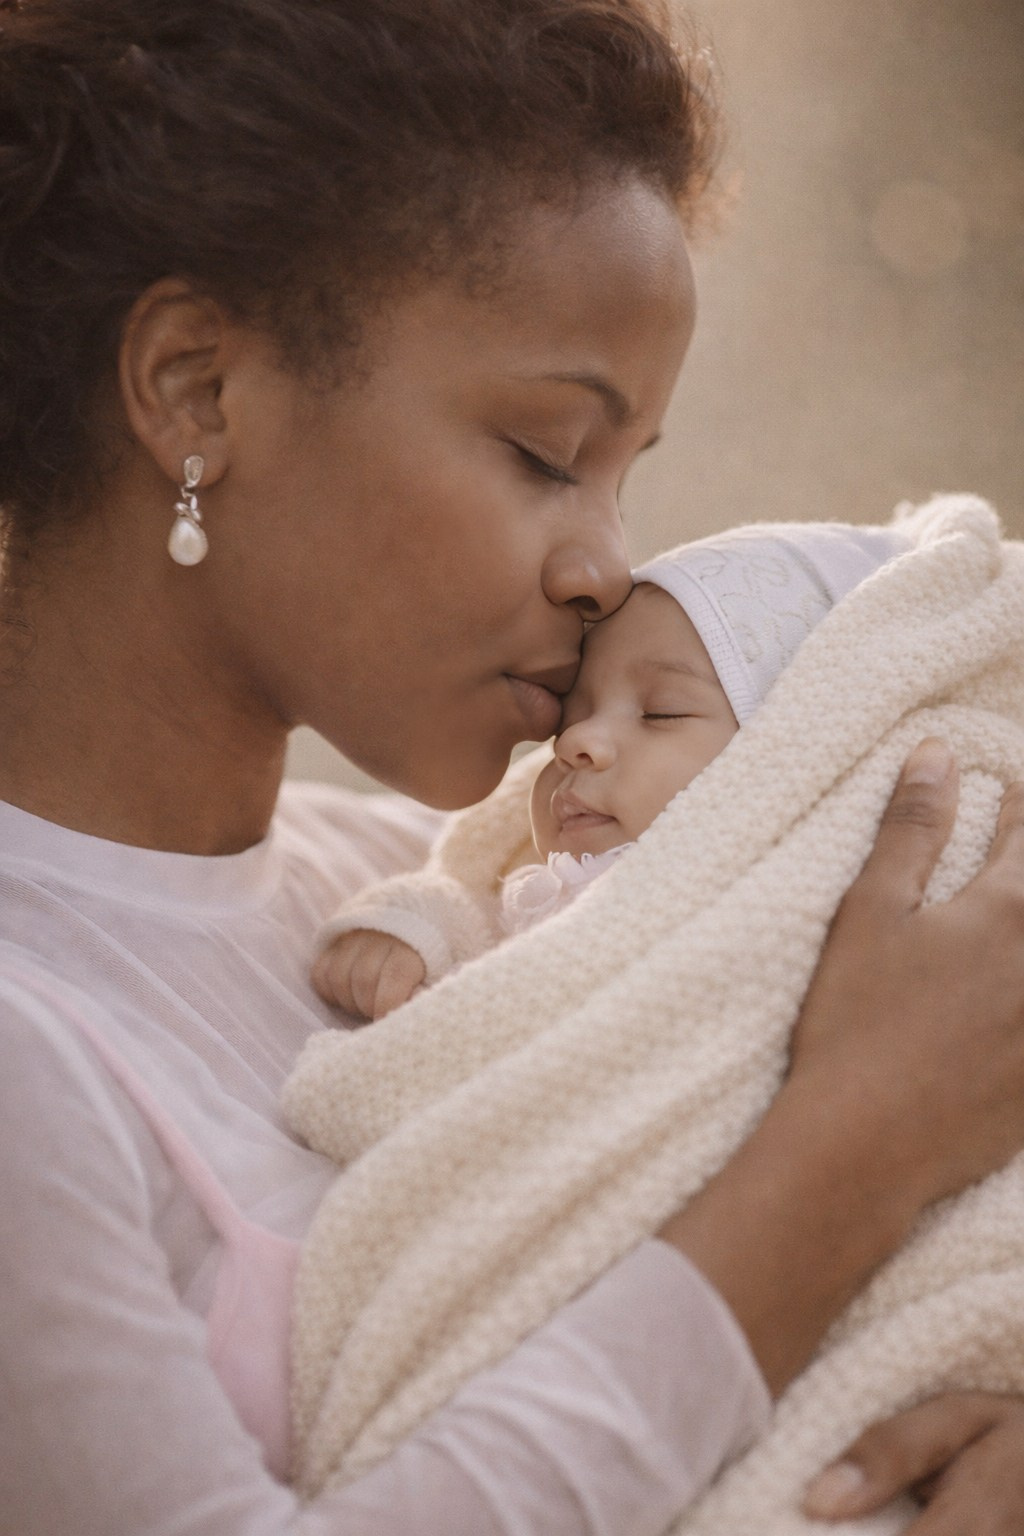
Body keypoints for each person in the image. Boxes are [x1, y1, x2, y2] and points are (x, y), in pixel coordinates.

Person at [2, 2, 1024, 1533]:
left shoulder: (443, 904)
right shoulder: (31, 1041)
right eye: (550, 451)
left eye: (629, 475)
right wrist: (852, 1152)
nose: (609, 568)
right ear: (199, 391)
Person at [313, 520, 909, 1019]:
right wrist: (414, 930)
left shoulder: (787, 923)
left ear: (791, 764)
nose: (577, 739)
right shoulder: (543, 893)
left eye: (660, 711)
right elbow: (472, 906)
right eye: (572, 713)